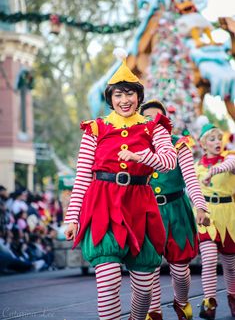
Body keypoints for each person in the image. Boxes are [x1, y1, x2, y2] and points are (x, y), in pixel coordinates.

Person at [64, 48, 177, 320]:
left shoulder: (154, 128)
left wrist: (142, 156)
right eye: (118, 94)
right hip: (103, 203)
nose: (124, 100)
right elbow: (81, 176)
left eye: (129, 93)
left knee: (144, 288)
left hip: (140, 205)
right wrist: (72, 217)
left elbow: (169, 161)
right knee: (108, 278)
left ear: (138, 97)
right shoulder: (95, 129)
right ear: (110, 99)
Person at [140, 100, 208, 320]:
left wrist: (200, 206)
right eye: (146, 118)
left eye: (156, 117)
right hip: (147, 212)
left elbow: (191, 178)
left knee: (180, 270)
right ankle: (154, 311)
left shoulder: (178, 144)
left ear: (164, 121)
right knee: (149, 269)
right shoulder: (134, 147)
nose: (151, 121)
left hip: (176, 210)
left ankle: (181, 301)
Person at [195, 123, 235, 320]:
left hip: (229, 215)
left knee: (231, 265)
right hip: (207, 215)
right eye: (212, 139)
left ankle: (233, 297)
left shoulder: (230, 158)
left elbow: (231, 165)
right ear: (203, 144)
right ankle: (209, 302)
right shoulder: (197, 167)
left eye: (219, 138)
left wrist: (214, 171)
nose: (217, 142)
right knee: (209, 260)